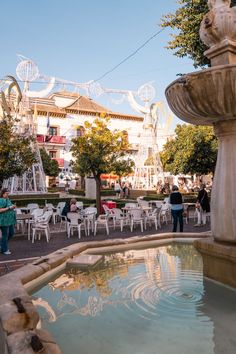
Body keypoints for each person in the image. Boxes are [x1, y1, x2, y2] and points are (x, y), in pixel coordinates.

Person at [0, 188, 16, 255]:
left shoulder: (8, 199)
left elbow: (10, 207)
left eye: (8, 193)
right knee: (5, 235)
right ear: (3, 194)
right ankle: (5, 250)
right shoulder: (1, 200)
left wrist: (13, 206)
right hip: (4, 220)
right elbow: (0, 210)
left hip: (10, 220)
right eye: (6, 193)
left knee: (11, 233)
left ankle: (2, 245)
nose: (7, 194)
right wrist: (9, 208)